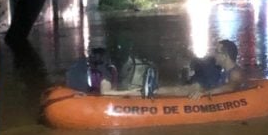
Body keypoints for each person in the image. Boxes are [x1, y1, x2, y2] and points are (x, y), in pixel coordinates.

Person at [101, 40, 245, 100]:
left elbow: (231, 87)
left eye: (217, 51)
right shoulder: (216, 69)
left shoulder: (235, 72)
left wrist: (204, 93)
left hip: (209, 92)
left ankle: (142, 92)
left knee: (185, 89)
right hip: (204, 86)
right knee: (185, 87)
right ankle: (142, 91)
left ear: (225, 56)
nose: (214, 54)